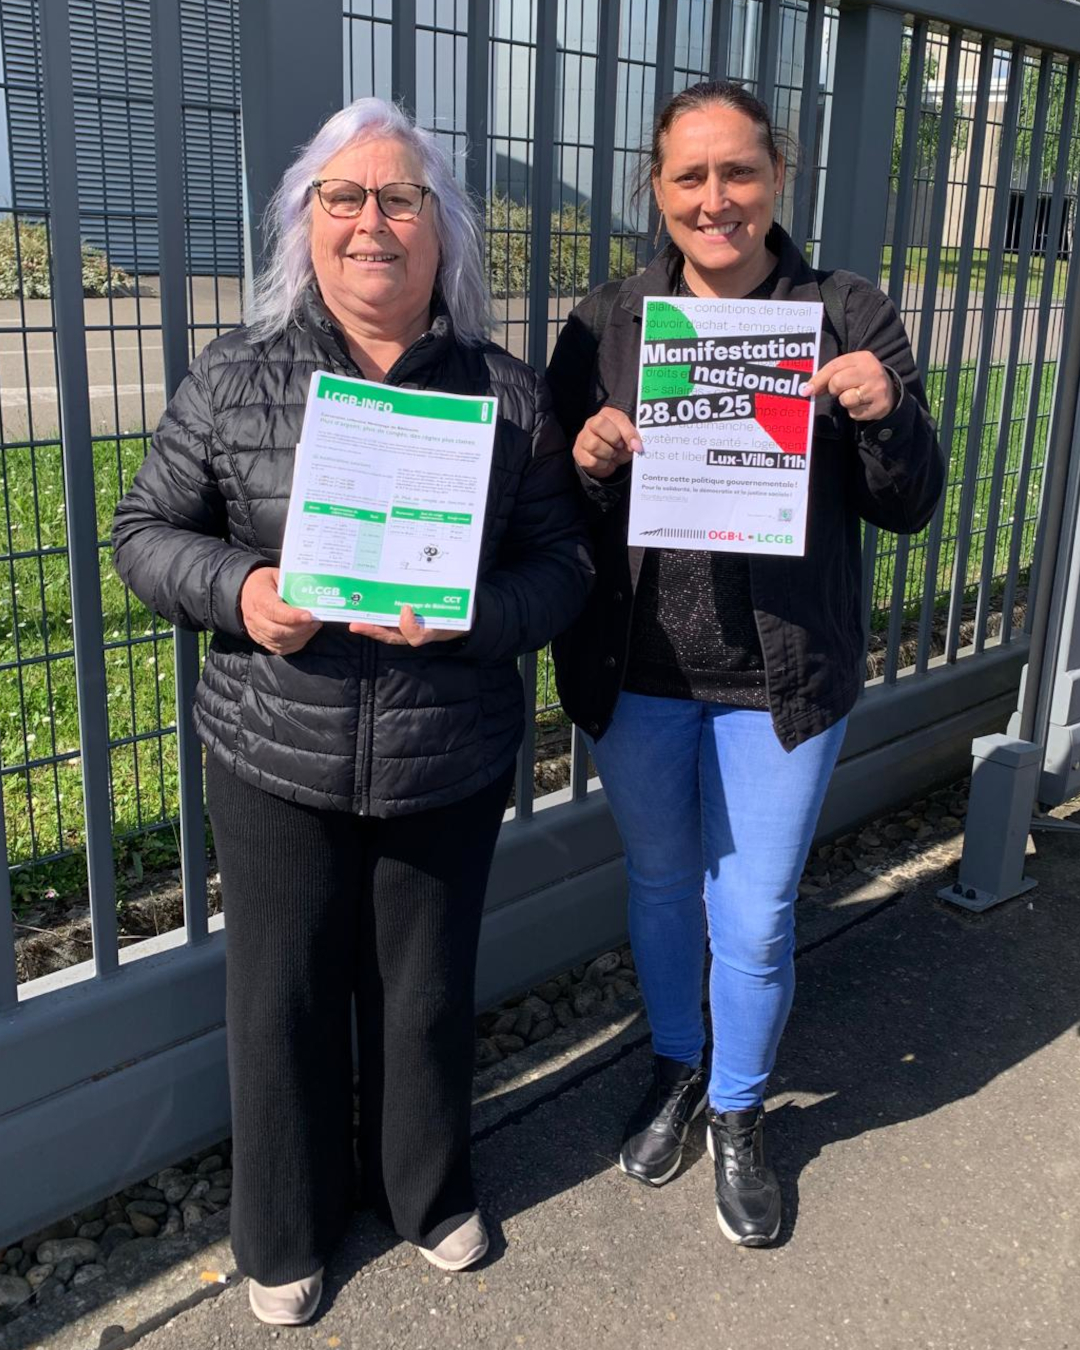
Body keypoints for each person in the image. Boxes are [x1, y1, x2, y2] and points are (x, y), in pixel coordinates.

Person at [113, 97, 591, 1325]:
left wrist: (471, 616)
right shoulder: (236, 375)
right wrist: (241, 591)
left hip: (447, 749)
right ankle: (284, 1228)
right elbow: (144, 534)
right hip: (274, 746)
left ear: (443, 232)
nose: (371, 220)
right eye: (344, 197)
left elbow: (563, 568)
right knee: (279, 1000)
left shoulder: (507, 395)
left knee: (424, 992)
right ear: (306, 225)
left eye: (400, 198)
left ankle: (424, 1192)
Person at [547, 80, 944, 1247]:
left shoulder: (844, 310)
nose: (715, 198)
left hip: (780, 676)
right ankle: (678, 1064)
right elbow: (551, 510)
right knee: (663, 888)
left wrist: (884, 413)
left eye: (739, 172)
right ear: (656, 188)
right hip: (641, 671)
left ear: (778, 177)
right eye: (690, 176)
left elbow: (910, 503)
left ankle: (738, 1108)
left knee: (759, 915)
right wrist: (586, 462)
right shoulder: (608, 320)